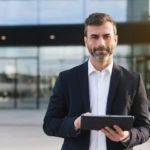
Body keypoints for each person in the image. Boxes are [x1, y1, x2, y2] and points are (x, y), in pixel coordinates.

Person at [43, 12, 150, 150]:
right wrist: (75, 124)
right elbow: (49, 124)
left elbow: (145, 127)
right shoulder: (67, 79)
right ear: (86, 40)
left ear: (115, 40)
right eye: (94, 37)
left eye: (107, 36)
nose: (101, 43)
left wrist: (127, 136)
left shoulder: (133, 80)